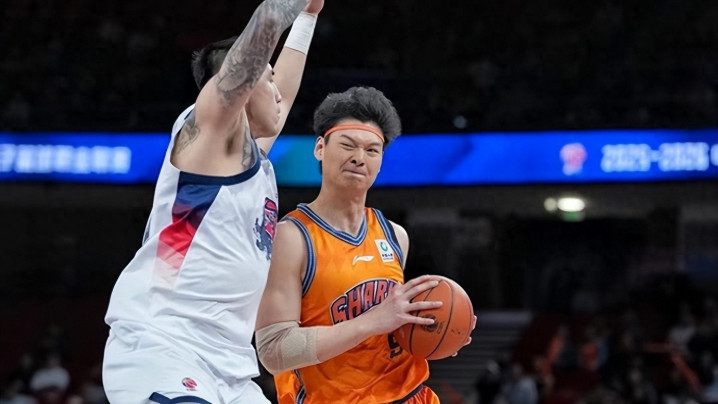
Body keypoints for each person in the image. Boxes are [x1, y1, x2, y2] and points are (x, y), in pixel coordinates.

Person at [102, 0, 322, 402]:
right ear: (242, 85)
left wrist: (308, 17)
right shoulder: (207, 137)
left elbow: (284, 97)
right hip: (165, 346)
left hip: (230, 366)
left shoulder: (251, 155)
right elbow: (264, 27)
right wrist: (287, 8)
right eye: (268, 79)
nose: (278, 93)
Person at [255, 86, 475, 403]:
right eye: (348, 145)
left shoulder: (395, 236)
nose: (359, 158)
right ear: (320, 148)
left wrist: (440, 331)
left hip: (409, 396)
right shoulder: (291, 238)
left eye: (373, 150)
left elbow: (392, 332)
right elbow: (274, 352)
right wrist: (370, 322)